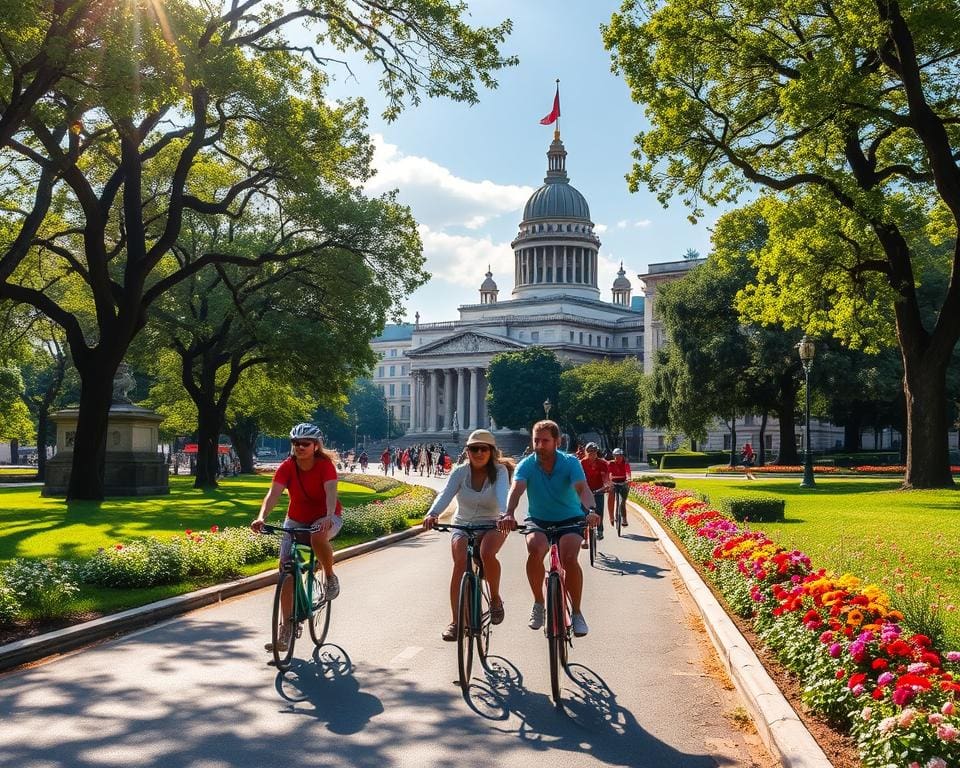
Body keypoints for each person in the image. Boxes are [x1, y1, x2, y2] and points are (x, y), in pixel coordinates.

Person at [501, 420, 600, 637]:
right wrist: (509, 512)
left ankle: (576, 613)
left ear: (557, 441)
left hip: (570, 518)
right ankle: (538, 602)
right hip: (538, 519)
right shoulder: (526, 464)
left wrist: (591, 510)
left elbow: (582, 488)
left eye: (545, 441)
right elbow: (516, 490)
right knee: (535, 549)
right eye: (536, 440)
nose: (540, 445)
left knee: (569, 557)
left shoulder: (570, 462)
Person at [250, 423, 343, 652]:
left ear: (315, 446)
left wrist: (329, 516)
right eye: (295, 443)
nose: (299, 447)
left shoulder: (325, 466)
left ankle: (330, 577)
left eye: (304, 444)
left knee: (317, 537)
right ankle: (287, 629)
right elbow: (273, 495)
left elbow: (331, 493)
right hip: (296, 520)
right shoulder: (287, 467)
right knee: (286, 571)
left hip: (325, 518)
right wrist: (261, 517)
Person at [423, 430, 515, 641]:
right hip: (463, 524)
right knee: (460, 563)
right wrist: (433, 514)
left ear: (492, 452)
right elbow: (445, 494)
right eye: (474, 449)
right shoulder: (460, 471)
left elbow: (503, 494)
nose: (479, 453)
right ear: (467, 451)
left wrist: (504, 514)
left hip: (494, 523)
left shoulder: (500, 471)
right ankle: (456, 622)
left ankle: (495, 600)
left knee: (487, 553)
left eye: (484, 449)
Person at [580, 442, 609, 541]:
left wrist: (606, 486)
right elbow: (577, 479)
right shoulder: (581, 463)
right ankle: (584, 536)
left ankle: (600, 530)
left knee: (599, 511)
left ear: (597, 452)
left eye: (594, 451)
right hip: (585, 491)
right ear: (586, 452)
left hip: (598, 490)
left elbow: (605, 478)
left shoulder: (602, 463)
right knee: (583, 513)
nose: (592, 453)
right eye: (589, 451)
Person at [607, 448, 631, 527]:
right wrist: (610, 480)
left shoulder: (625, 463)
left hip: (623, 483)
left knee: (622, 502)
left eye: (619, 456)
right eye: (616, 456)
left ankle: (624, 519)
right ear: (613, 456)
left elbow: (627, 472)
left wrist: (628, 479)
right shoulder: (611, 463)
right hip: (614, 482)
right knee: (611, 495)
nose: (618, 458)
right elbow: (609, 473)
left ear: (622, 456)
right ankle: (611, 517)